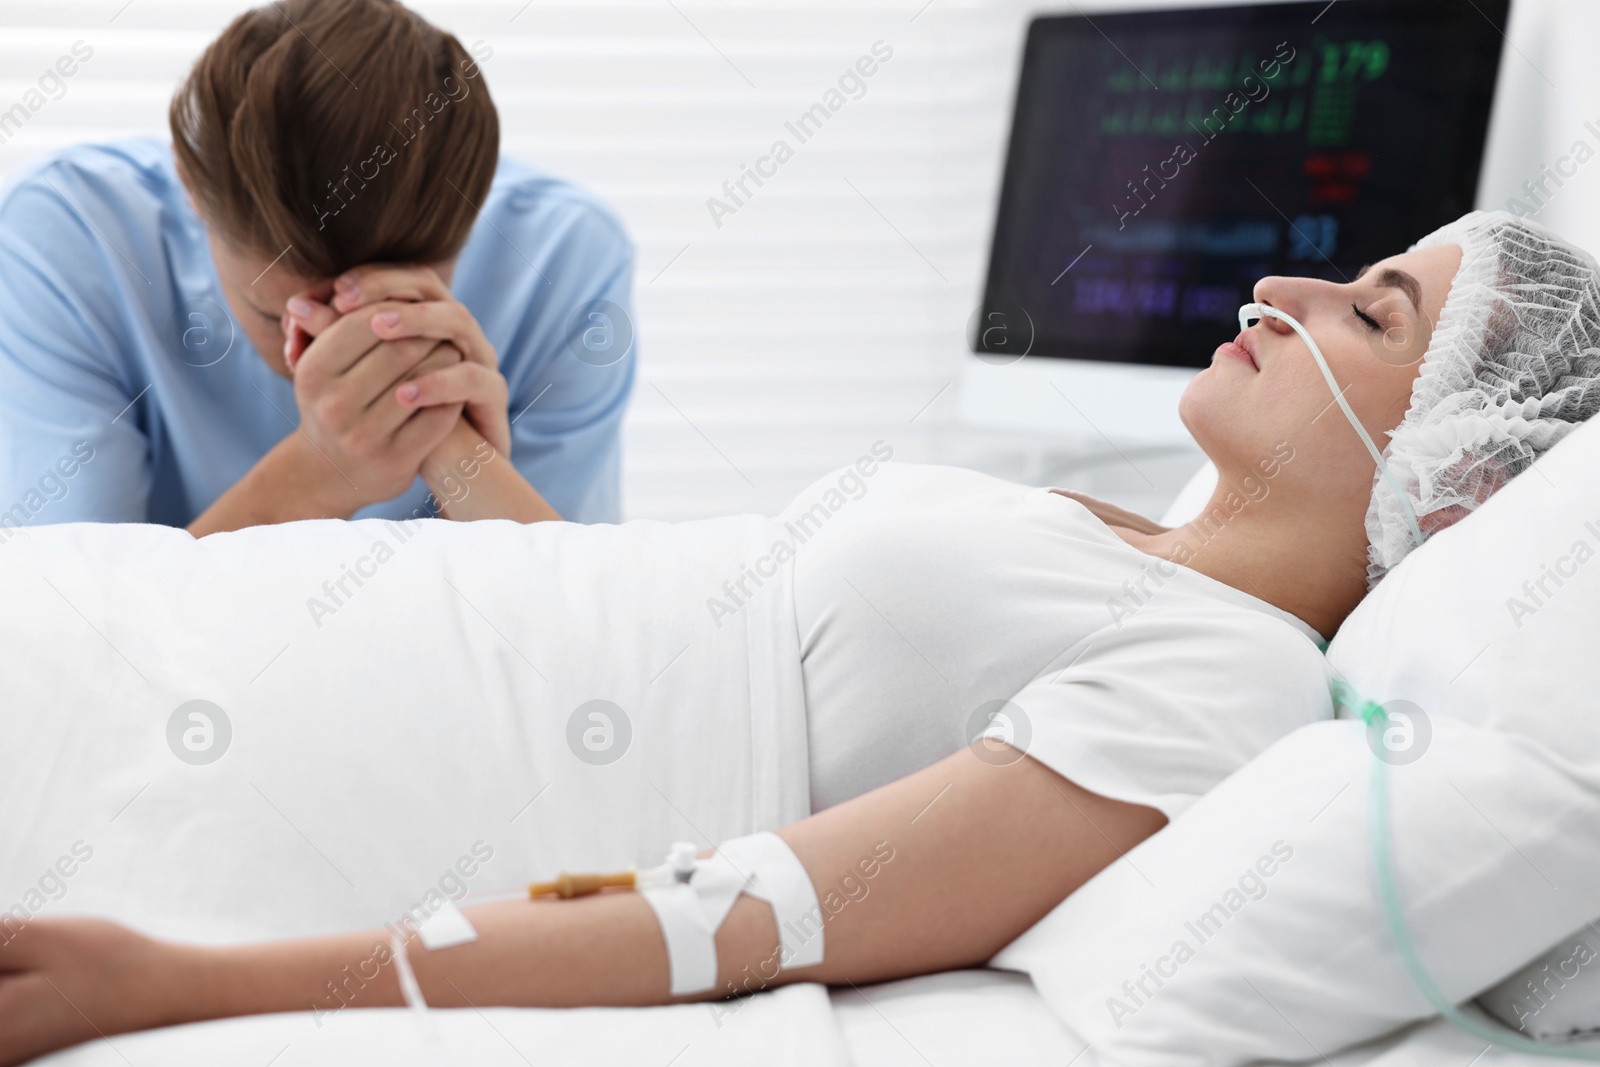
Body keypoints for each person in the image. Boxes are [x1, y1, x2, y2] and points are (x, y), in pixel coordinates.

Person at [2, 212, 1598, 1064]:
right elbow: (634, 616)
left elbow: (741, 918)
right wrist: (449, 445)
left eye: (1370, 315)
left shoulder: (1229, 680)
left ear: (1459, 479)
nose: (1282, 287)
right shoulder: (1107, 533)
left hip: (256, 757)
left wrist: (183, 987)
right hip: (179, 629)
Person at [0, 0, 635, 537]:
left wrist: (458, 455)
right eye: (280, 314)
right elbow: (73, 636)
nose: (339, 358)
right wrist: (322, 467)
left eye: (400, 317)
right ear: (188, 186)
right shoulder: (67, 238)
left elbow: (580, 649)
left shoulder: (562, 258)